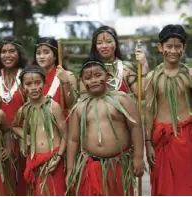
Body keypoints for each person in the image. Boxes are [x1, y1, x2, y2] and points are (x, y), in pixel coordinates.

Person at [66, 60, 145, 195]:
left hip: (119, 165)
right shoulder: (79, 108)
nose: (94, 80)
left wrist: (138, 156)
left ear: (107, 76)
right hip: (91, 166)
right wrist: (70, 169)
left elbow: (135, 128)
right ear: (82, 82)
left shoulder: (121, 99)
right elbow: (73, 140)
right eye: (88, 78)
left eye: (98, 75)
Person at [144, 24, 192, 196]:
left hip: (186, 137)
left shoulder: (189, 75)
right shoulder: (152, 78)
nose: (173, 50)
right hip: (162, 139)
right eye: (169, 46)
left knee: (186, 185)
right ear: (160, 47)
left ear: (184, 48)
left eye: (178, 46)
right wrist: (148, 143)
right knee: (164, 188)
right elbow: (148, 112)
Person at [12, 65, 68, 195]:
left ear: (44, 84)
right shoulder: (24, 110)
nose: (33, 87)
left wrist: (58, 157)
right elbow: (13, 127)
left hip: (53, 159)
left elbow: (65, 135)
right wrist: (25, 136)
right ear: (22, 87)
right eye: (28, 84)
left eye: (37, 83)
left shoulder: (53, 106)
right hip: (35, 161)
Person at [0, 36, 28, 195]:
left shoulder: (26, 77)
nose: (7, 55)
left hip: (24, 140)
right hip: (1, 141)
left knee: (24, 184)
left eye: (12, 51)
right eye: (3, 51)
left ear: (19, 54)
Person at [80, 25, 149, 98]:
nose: (104, 46)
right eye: (99, 43)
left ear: (116, 44)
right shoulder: (87, 71)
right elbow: (84, 101)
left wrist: (144, 65)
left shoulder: (125, 68)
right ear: (94, 46)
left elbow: (142, 95)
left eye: (109, 41)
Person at [33, 37, 77, 112]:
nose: (41, 56)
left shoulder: (68, 75)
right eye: (38, 53)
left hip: (61, 122)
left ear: (55, 56)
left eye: (46, 52)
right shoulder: (33, 77)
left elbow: (72, 105)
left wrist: (66, 82)